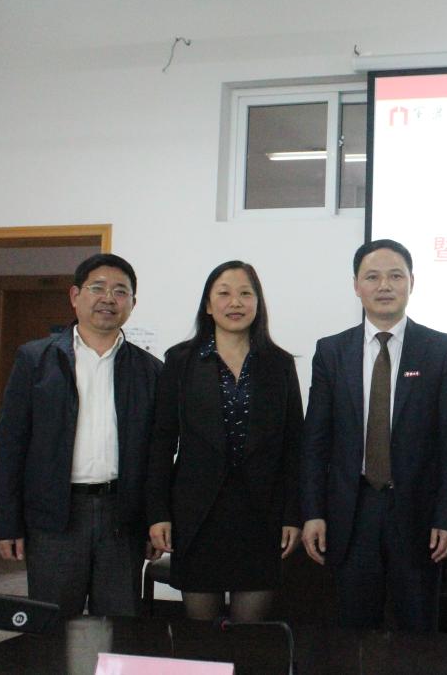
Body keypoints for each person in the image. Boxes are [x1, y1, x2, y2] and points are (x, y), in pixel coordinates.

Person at [299, 239, 447, 632]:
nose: (384, 286)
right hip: (352, 509)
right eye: (372, 277)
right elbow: (315, 442)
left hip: (418, 513)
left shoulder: (439, 349)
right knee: (353, 629)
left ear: (412, 283)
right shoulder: (332, 352)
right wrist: (312, 512)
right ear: (356, 286)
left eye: (395, 276)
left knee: (416, 629)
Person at [0, 253, 163, 618]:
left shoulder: (150, 370)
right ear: (75, 296)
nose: (108, 299)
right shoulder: (36, 360)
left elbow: (157, 455)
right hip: (55, 514)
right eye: (98, 288)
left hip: (123, 517)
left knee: (119, 626)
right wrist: (7, 522)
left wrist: (154, 520)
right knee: (51, 624)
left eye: (120, 291)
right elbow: (11, 445)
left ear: (132, 303)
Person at [146, 260, 303, 622]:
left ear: (258, 303)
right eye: (224, 293)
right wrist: (158, 513)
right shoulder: (181, 361)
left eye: (246, 293)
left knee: (251, 635)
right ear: (208, 304)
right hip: (197, 515)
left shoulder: (279, 364)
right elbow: (161, 442)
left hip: (261, 516)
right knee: (201, 636)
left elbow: (294, 446)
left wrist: (293, 515)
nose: (235, 302)